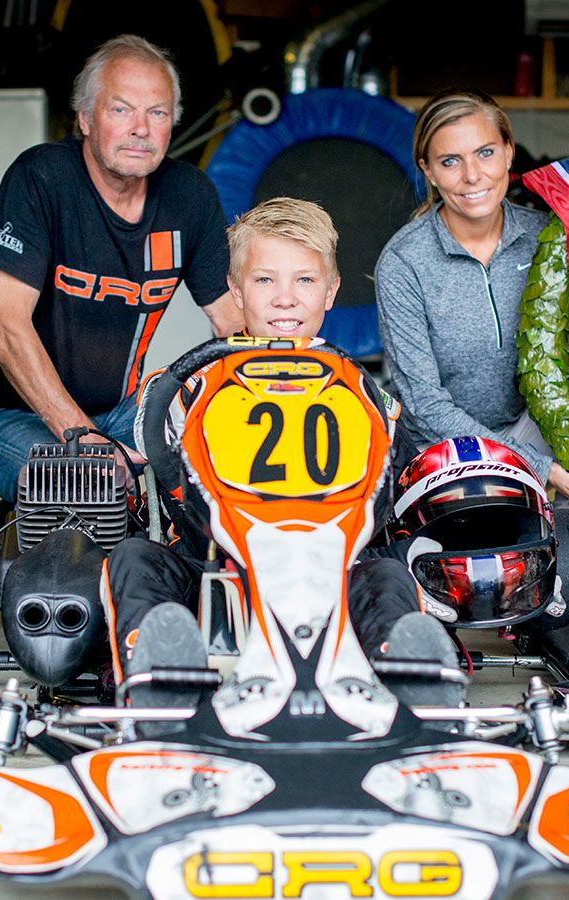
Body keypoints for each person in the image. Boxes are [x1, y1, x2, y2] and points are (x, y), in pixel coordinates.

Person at [102, 197, 457, 707]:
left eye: (305, 280)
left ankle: (408, 684)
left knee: (388, 573)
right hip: (214, 564)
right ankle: (160, 684)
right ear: (236, 290)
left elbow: (394, 481)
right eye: (265, 280)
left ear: (331, 291)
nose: (285, 299)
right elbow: (152, 455)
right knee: (134, 559)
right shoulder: (188, 385)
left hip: (332, 570)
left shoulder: (362, 392)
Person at [0, 34, 245, 502]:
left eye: (157, 113)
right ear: (85, 119)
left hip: (123, 413)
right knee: (90, 489)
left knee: (224, 470)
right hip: (7, 416)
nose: (141, 128)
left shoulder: (189, 195)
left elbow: (233, 322)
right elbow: (3, 321)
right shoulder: (42, 178)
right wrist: (86, 441)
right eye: (121, 109)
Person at [375, 89, 569, 505]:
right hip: (446, 452)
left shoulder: (545, 237)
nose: (472, 176)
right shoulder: (404, 262)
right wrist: (537, 467)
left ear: (508, 153)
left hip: (529, 427)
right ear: (428, 171)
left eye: (485, 153)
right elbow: (424, 406)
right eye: (450, 161)